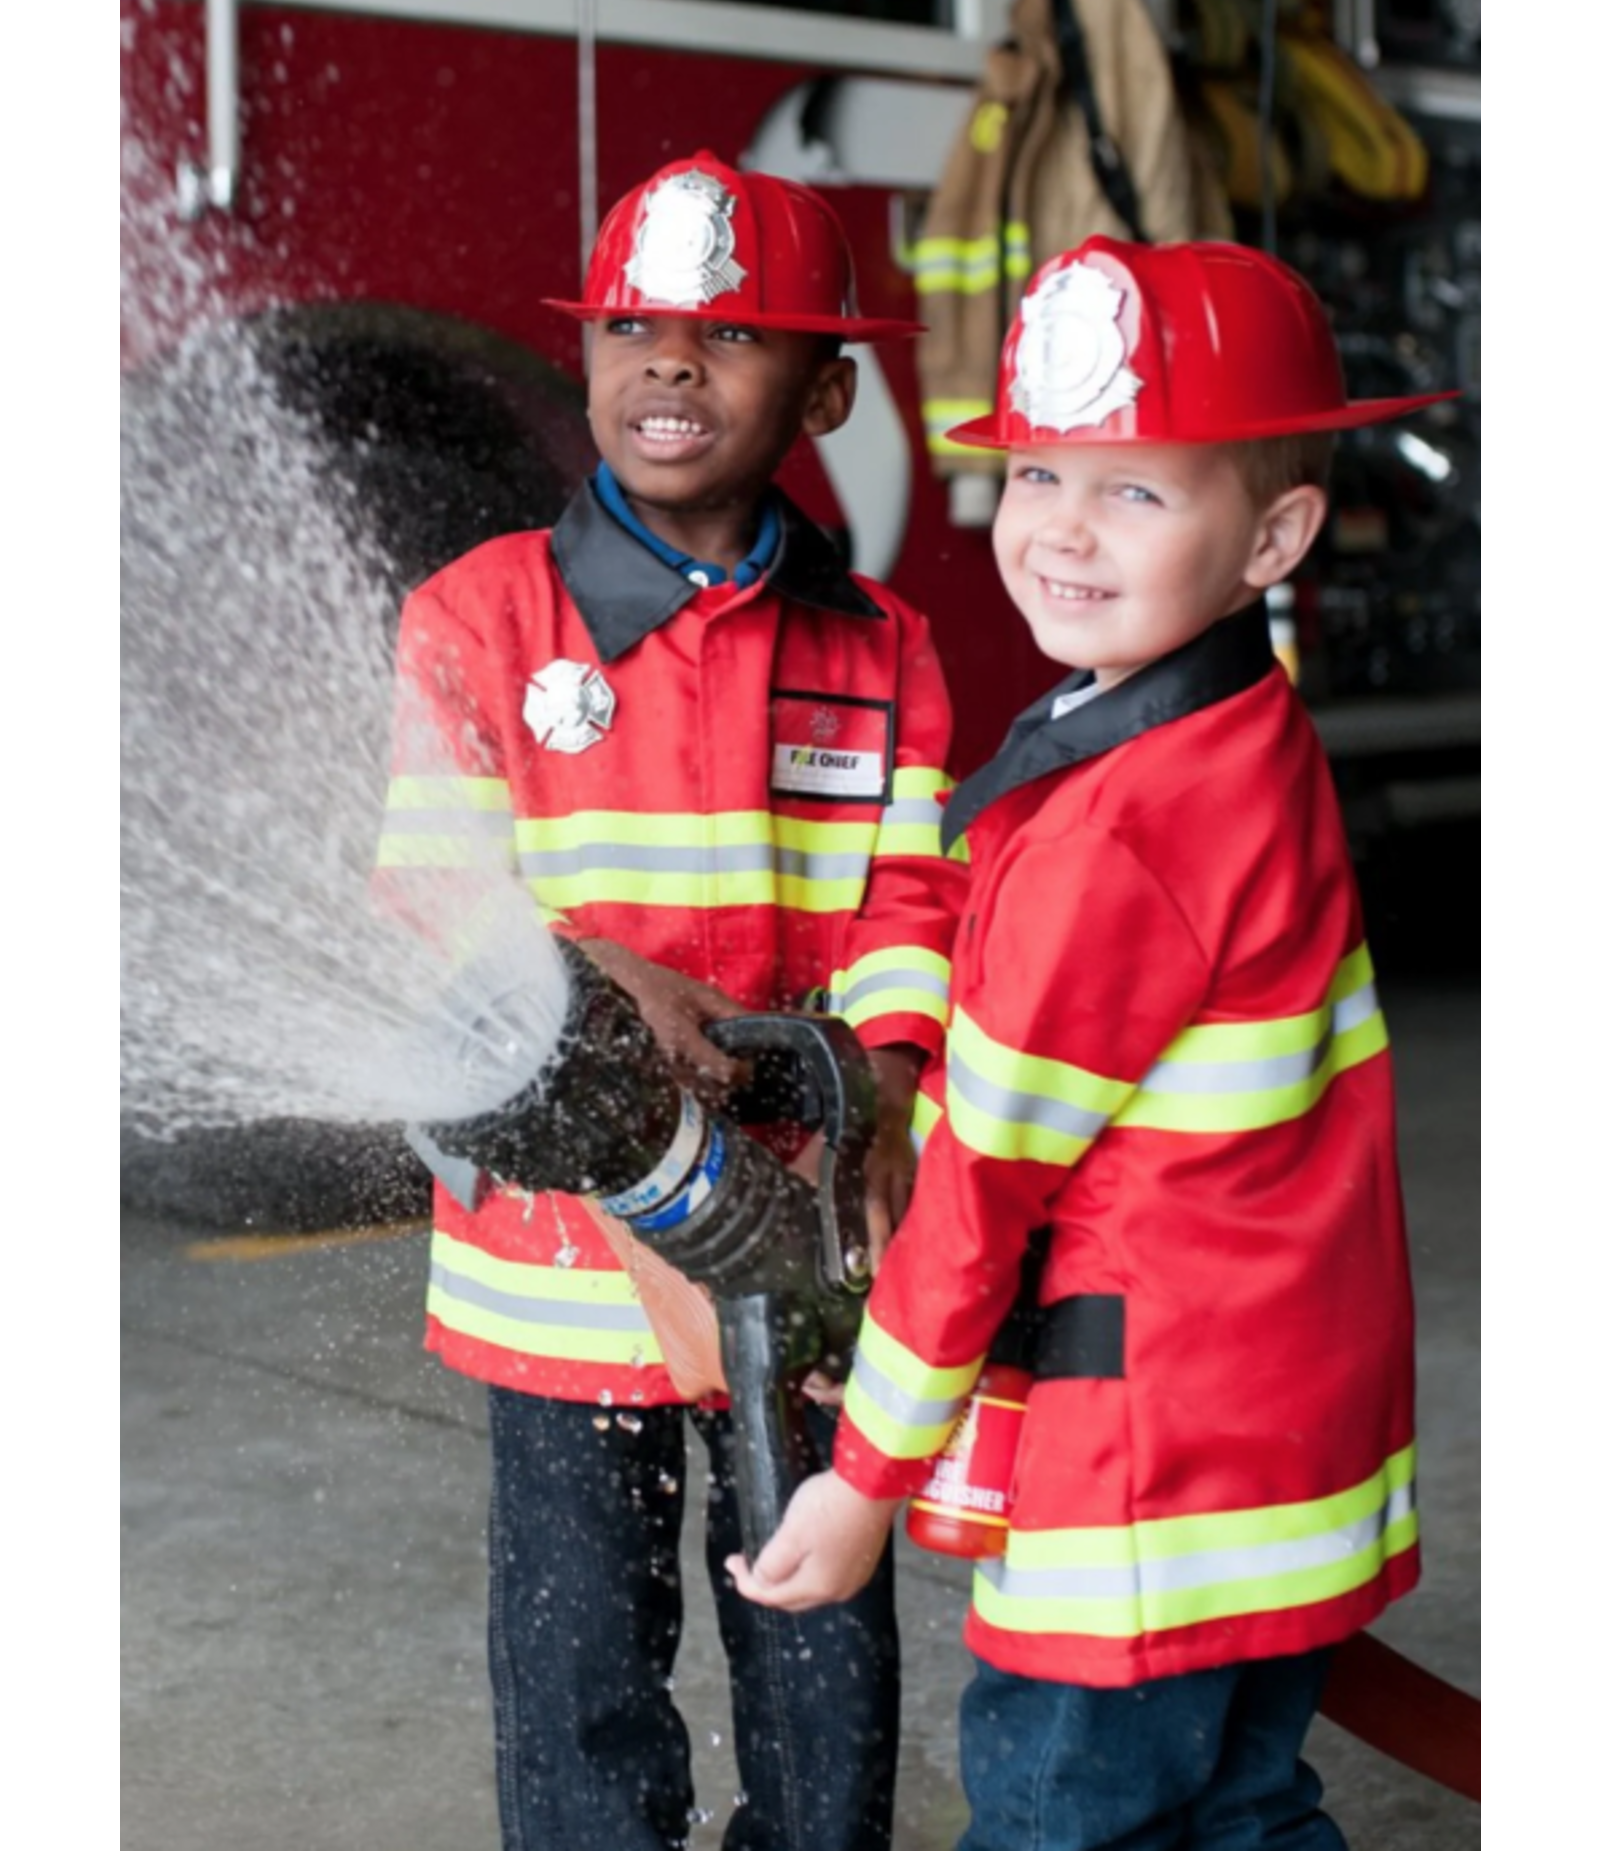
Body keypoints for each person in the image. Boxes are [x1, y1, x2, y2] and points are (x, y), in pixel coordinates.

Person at [730, 236, 1457, 1851]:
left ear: (1273, 534)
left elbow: (983, 1188)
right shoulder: (1235, 729)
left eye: (1136, 492)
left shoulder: (1115, 837)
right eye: (1042, 466)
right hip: (1282, 1433)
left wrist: (863, 1482)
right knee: (1242, 1809)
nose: (1059, 526)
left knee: (1074, 1820)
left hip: (1148, 1479)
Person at [375, 150, 968, 1851]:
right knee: (580, 1686)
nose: (669, 365)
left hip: (796, 1246)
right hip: (559, 1281)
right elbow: (425, 897)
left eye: (730, 335)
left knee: (819, 1651)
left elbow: (911, 906)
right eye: (632, 324)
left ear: (831, 387)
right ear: (586, 358)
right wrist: (589, 973)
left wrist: (891, 1095)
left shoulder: (883, 646)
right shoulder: (476, 620)